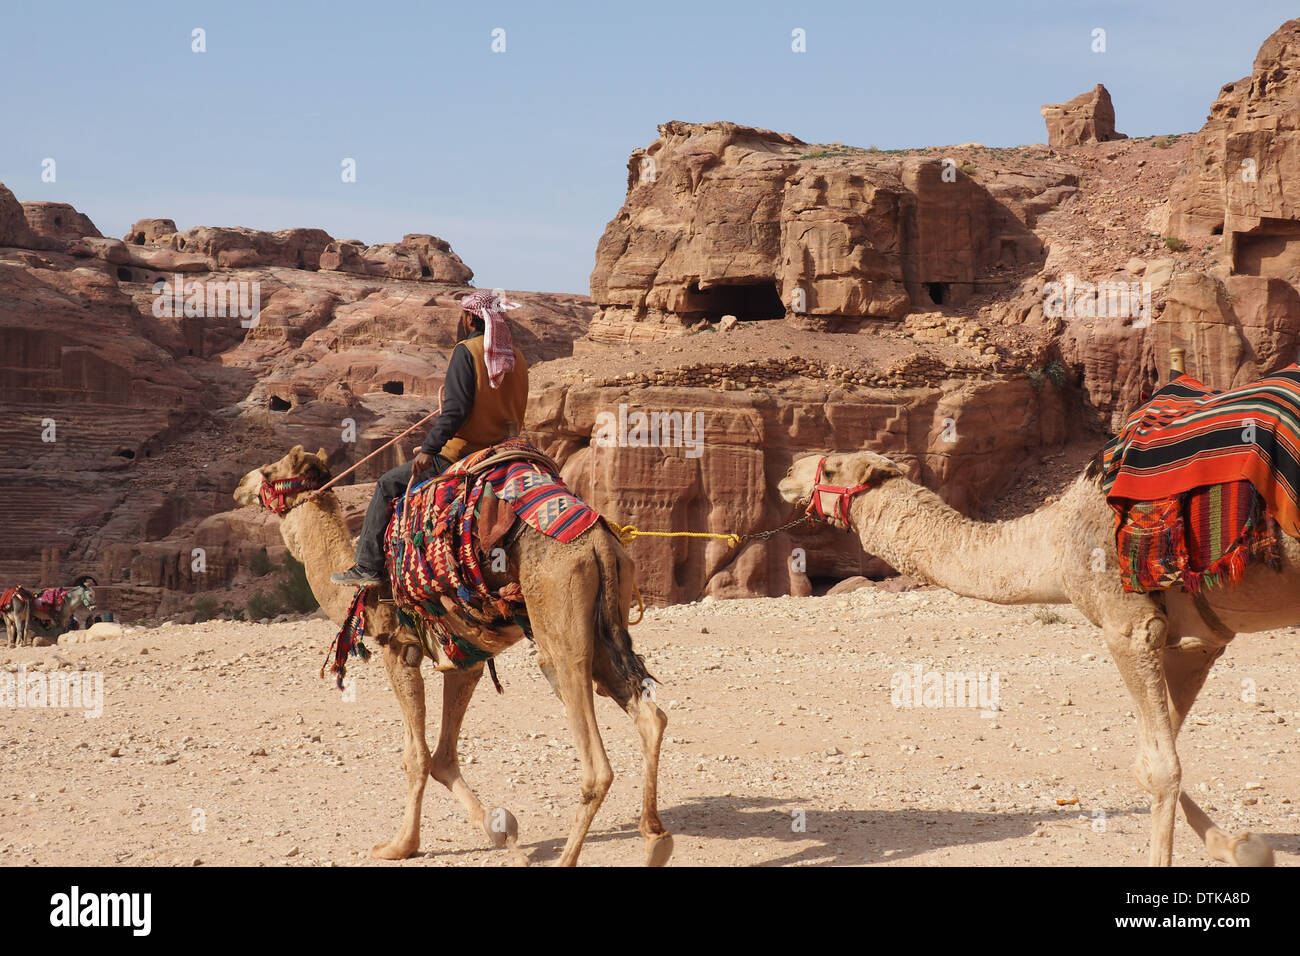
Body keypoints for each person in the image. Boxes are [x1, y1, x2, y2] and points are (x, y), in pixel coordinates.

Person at [331, 290, 529, 586]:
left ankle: (368, 566)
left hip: (463, 454)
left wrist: (429, 448)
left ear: (469, 317)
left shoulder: (467, 351)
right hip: (506, 452)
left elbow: (456, 410)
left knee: (388, 484)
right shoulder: (517, 357)